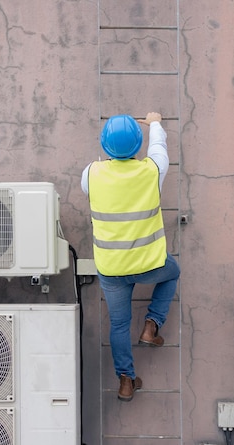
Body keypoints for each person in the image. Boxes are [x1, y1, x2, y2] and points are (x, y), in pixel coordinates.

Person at [81, 112, 180, 402]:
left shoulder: (91, 173)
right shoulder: (152, 171)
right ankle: (152, 325)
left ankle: (126, 380)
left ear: (104, 145)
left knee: (119, 325)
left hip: (111, 269)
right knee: (173, 272)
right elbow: (159, 148)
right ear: (137, 145)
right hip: (150, 264)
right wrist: (156, 123)